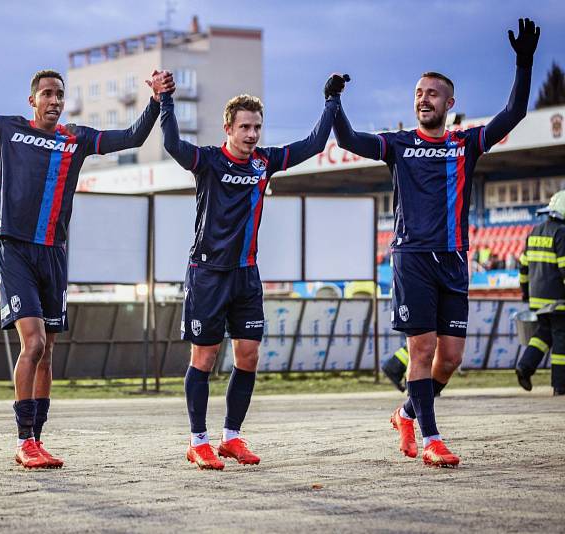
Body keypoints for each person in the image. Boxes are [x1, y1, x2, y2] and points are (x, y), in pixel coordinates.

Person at [0, 27, 174, 469]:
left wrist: (157, 101)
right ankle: (23, 440)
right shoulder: (8, 129)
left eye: (60, 94)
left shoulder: (76, 138)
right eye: (47, 93)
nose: (54, 100)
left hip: (54, 254)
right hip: (16, 249)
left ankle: (37, 439)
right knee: (34, 342)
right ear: (32, 101)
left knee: (49, 350)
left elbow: (133, 138)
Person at [332, 18, 539, 467]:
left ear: (449, 102)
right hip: (411, 259)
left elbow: (514, 115)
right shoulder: (397, 144)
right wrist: (334, 101)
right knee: (421, 351)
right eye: (419, 93)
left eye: (432, 93)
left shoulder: (466, 143)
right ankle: (432, 438)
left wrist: (524, 64)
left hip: (453, 259)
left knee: (452, 358)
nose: (423, 99)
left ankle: (407, 414)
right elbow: (347, 138)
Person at [157, 73, 340, 470]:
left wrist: (331, 102)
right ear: (228, 128)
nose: (252, 134)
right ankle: (198, 441)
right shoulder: (207, 160)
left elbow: (311, 145)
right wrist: (165, 101)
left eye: (257, 127)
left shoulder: (265, 162)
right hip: (207, 274)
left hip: (246, 274)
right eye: (245, 127)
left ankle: (232, 437)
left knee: (249, 356)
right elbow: (171, 143)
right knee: (203, 358)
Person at [516, 190, 565, 395]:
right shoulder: (561, 232)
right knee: (562, 338)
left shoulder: (534, 231)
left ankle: (524, 367)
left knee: (543, 334)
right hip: (558, 299)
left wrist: (526, 294)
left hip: (538, 299)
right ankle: (560, 385)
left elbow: (523, 268)